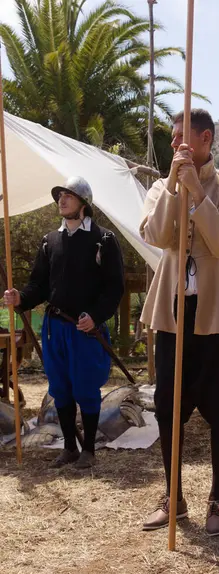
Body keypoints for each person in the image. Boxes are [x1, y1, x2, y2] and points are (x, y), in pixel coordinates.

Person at [140, 109, 219, 536]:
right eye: (171, 138)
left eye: (180, 138)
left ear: (205, 138)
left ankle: (217, 500)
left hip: (218, 316)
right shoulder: (159, 186)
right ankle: (174, 497)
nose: (174, 145)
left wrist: (198, 193)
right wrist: (175, 187)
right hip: (173, 314)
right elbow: (155, 234)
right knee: (168, 407)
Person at [4, 176, 124, 469]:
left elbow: (114, 288)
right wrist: (21, 297)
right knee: (60, 388)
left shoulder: (103, 240)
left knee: (85, 389)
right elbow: (39, 286)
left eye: (68, 195)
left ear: (83, 202)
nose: (61, 200)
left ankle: (90, 452)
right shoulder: (50, 241)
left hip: (85, 330)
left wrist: (95, 316)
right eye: (60, 196)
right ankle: (70, 447)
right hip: (54, 327)